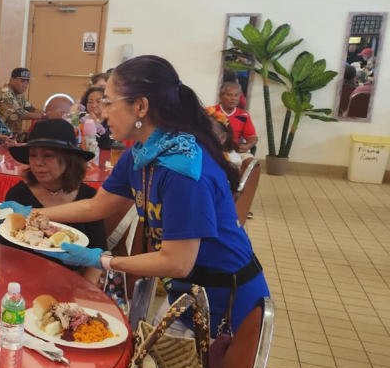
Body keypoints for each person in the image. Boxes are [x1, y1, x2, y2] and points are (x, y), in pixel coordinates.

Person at [31, 56, 269, 335]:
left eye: (108, 102)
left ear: (140, 106)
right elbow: (96, 207)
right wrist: (30, 213)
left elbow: (176, 261)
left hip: (227, 300)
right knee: (163, 367)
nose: (103, 113)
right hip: (185, 292)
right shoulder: (139, 156)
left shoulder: (183, 170)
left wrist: (102, 261)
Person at [0, 120, 108, 283]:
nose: (38, 162)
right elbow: (7, 250)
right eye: (33, 155)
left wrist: (85, 291)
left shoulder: (89, 198)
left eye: (48, 155)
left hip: (73, 283)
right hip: (23, 281)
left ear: (69, 158)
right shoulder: (18, 194)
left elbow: (98, 252)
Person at [0, 68, 45, 141]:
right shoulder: (5, 93)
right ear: (12, 80)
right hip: (2, 136)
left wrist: (51, 113)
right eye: (22, 81)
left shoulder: (18, 93)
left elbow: (31, 109)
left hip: (15, 135)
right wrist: (46, 116)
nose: (25, 85)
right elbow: (19, 114)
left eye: (27, 82)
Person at [214, 82, 258, 154]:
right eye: (229, 95)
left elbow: (252, 136)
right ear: (221, 96)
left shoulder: (244, 115)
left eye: (236, 95)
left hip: (235, 151)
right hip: (214, 149)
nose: (233, 98)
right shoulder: (210, 112)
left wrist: (248, 145)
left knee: (251, 163)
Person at [81, 86, 113, 151]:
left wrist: (96, 124)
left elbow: (110, 144)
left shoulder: (112, 121)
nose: (94, 105)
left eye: (98, 101)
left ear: (106, 103)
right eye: (90, 102)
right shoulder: (82, 119)